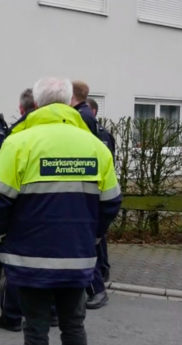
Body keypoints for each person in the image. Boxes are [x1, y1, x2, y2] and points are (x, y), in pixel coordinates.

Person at [0, 77, 121, 345]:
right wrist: (91, 237)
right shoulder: (95, 146)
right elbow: (111, 203)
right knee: (74, 327)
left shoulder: (18, 143)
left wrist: (1, 239)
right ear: (69, 102)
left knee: (36, 329)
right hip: (77, 258)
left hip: (29, 259)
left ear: (38, 104)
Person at [0, 88, 37, 333]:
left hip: (20, 216)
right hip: (50, 219)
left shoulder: (14, 136)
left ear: (21, 109)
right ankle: (48, 315)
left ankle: (12, 316)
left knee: (16, 270)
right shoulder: (74, 137)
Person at [84, 97, 116, 309]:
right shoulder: (95, 135)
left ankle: (101, 275)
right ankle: (101, 273)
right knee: (95, 239)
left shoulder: (100, 136)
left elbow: (109, 164)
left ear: (92, 112)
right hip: (94, 194)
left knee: (96, 239)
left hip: (96, 192)